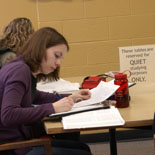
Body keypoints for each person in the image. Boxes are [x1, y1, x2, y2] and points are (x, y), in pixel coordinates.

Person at [0, 27, 92, 155]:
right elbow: (8, 115)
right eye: (56, 56)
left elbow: (34, 95)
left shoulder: (22, 67)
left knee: (82, 148)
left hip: (17, 142)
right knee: (82, 153)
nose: (58, 63)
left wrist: (71, 97)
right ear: (40, 49)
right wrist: (52, 108)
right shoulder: (19, 71)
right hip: (10, 148)